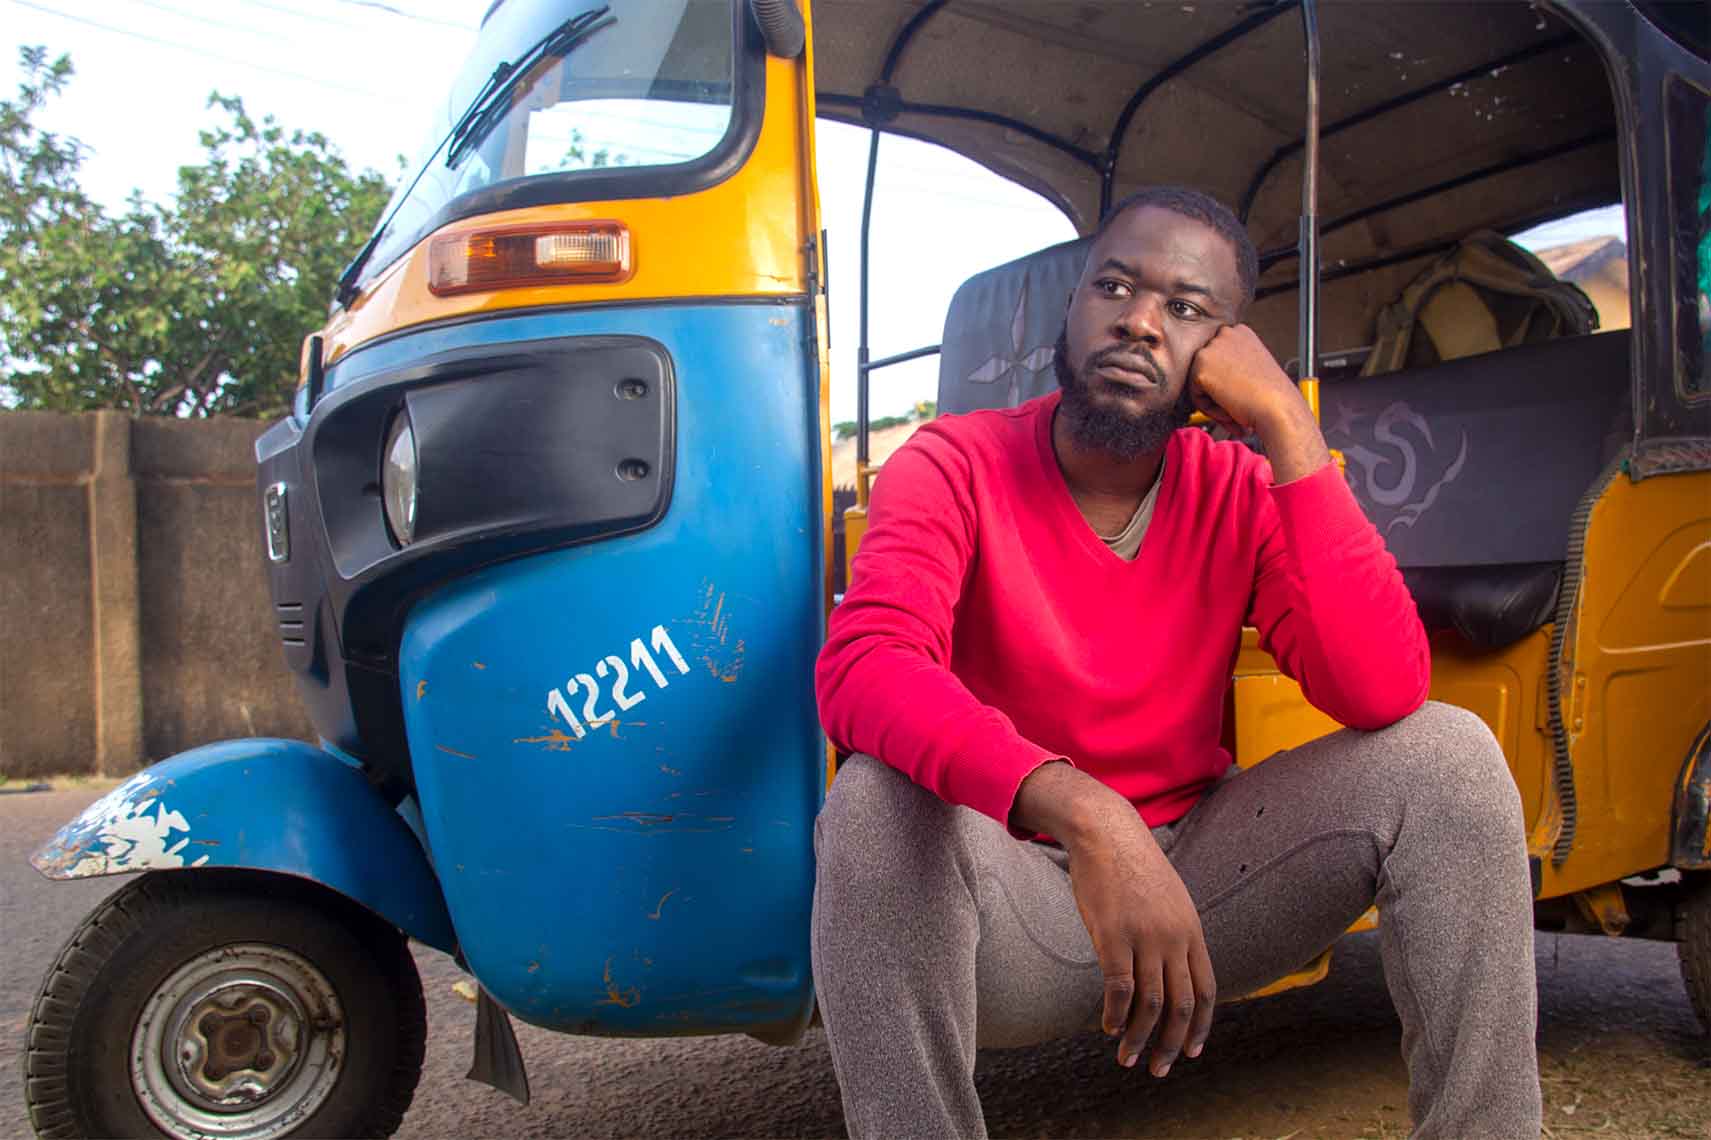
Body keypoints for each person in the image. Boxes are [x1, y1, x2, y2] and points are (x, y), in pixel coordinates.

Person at [811, 187, 1541, 1140]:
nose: (1140, 321)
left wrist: (1286, 425)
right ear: (1072, 314)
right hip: (1013, 909)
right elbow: (864, 666)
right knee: (872, 801)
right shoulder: (952, 462)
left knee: (1446, 753)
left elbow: (1380, 688)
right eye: (1113, 286)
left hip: (1203, 898)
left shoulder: (1239, 485)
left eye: (1186, 308)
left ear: (1220, 354)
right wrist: (1086, 811)